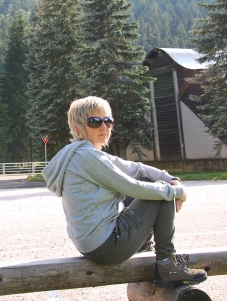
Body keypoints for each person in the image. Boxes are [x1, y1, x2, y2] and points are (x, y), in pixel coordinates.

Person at [41, 96, 207, 288]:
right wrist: (175, 191)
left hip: (92, 244)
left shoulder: (83, 153)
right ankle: (167, 264)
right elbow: (131, 187)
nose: (104, 127)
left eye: (108, 121)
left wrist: (170, 178)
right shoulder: (87, 157)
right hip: (106, 247)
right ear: (79, 129)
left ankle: (145, 249)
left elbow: (136, 169)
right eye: (95, 122)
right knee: (159, 194)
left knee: (156, 184)